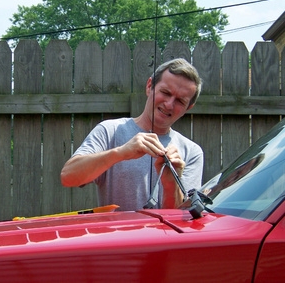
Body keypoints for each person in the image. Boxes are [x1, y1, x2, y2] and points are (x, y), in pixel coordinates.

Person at [61, 58, 204, 211]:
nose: (169, 104)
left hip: (163, 236)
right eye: (165, 92)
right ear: (149, 86)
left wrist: (171, 184)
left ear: (188, 107)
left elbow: (183, 219)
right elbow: (68, 177)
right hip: (117, 235)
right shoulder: (110, 130)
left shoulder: (192, 152)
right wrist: (120, 153)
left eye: (180, 101)